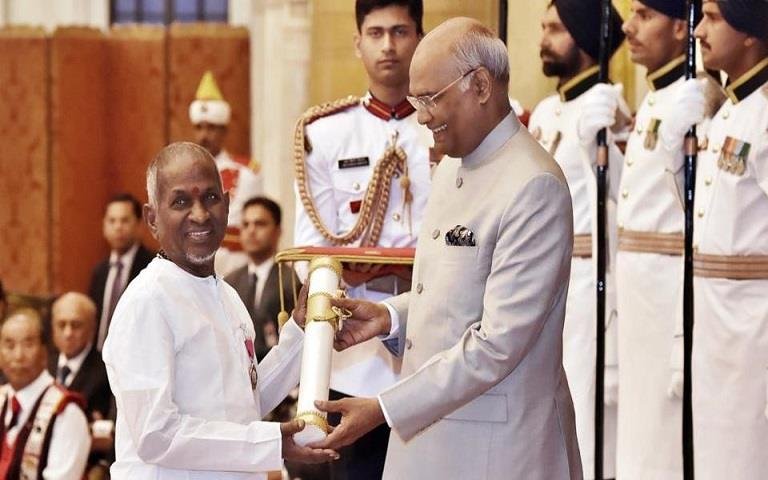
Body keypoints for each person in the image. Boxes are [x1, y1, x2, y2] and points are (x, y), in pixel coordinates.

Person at [310, 17, 581, 479]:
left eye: (430, 99)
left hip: (497, 449)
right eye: (417, 101)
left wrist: (384, 408)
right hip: (438, 443)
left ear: (479, 85)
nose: (421, 116)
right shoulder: (454, 167)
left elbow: (497, 343)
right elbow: (455, 292)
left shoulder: (533, 185)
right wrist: (390, 317)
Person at [102, 142, 336, 479]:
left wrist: (301, 336)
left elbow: (244, 402)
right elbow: (155, 435)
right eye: (181, 201)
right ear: (152, 218)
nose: (199, 214)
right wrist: (270, 442)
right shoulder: (147, 301)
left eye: (210, 198)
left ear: (228, 207)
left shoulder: (226, 294)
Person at [292, 0, 430, 476]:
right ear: (357, 42)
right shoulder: (325, 134)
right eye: (375, 33)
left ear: (420, 36)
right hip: (357, 356)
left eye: (399, 31)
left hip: (436, 343)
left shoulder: (450, 127)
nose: (388, 46)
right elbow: (309, 252)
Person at [609, 2, 721, 478]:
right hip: (637, 296)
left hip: (670, 291)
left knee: (666, 441)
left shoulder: (698, 100)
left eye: (645, 15)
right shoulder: (655, 99)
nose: (629, 28)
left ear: (682, 27)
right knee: (637, 435)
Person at [528, 1, 627, 476]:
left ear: (587, 39)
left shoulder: (607, 107)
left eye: (555, 29)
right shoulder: (548, 110)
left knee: (582, 411)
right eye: (544, 27)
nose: (543, 39)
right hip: (539, 281)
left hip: (586, 285)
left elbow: (624, 203)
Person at [671, 1, 768, 478]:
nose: (698, 31)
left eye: (712, 17)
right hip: (711, 325)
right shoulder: (729, 112)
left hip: (753, 334)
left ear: (750, 29)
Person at [0, 308, 91, 479]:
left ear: (45, 352)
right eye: (9, 345)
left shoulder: (67, 413)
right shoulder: (2, 399)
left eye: (28, 344)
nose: (18, 356)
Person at [190, 71, 263, 277]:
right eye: (199, 128)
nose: (204, 135)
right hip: (195, 258)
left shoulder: (247, 171)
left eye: (211, 128)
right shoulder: (184, 171)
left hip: (234, 262)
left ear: (223, 131)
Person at [225, 196, 300, 361]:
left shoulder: (291, 281)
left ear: (277, 231)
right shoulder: (229, 282)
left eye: (260, 224)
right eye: (245, 225)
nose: (251, 230)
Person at [50, 292, 114, 476]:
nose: (68, 333)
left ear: (92, 328)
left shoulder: (107, 370)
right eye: (61, 325)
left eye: (76, 325)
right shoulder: (42, 365)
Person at [88, 193, 154, 351]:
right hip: (99, 363)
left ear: (139, 225)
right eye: (112, 221)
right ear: (104, 226)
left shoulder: (153, 267)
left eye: (124, 220)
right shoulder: (100, 271)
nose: (118, 227)